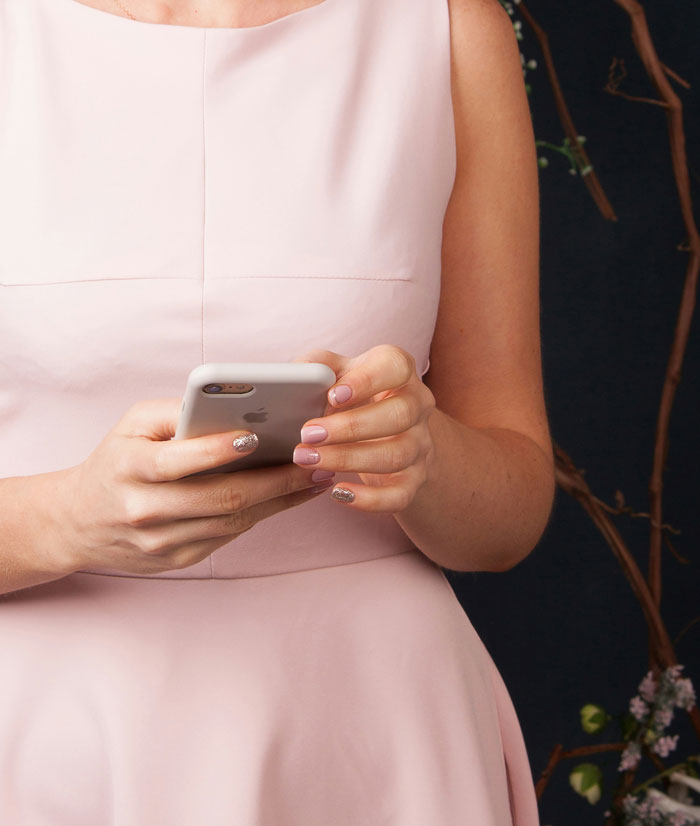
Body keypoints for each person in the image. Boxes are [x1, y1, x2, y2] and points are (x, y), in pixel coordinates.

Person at [0, 0, 555, 822]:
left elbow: (514, 511)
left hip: (373, 732)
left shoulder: (444, 27)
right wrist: (66, 520)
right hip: (51, 734)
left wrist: (422, 451)